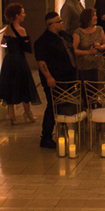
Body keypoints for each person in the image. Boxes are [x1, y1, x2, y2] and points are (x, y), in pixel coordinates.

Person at [35, 11, 77, 149]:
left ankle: (63, 130)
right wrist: (49, 77)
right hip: (55, 79)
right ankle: (46, 137)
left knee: (65, 104)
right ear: (51, 25)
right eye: (59, 21)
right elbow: (41, 62)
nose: (62, 23)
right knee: (53, 106)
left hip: (68, 77)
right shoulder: (43, 41)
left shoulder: (64, 35)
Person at [0, 3, 40, 126]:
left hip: (9, 60)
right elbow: (27, 47)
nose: (24, 15)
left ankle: (11, 114)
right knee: (24, 85)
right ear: (17, 15)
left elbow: (3, 42)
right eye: (22, 13)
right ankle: (28, 112)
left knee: (10, 85)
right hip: (19, 60)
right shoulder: (21, 30)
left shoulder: (7, 28)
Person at [73, 8, 105, 82]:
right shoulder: (78, 32)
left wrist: (100, 47)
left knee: (98, 88)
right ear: (87, 18)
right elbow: (74, 50)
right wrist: (88, 52)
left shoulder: (99, 29)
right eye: (93, 16)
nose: (96, 17)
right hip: (84, 66)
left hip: (98, 64)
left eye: (96, 15)